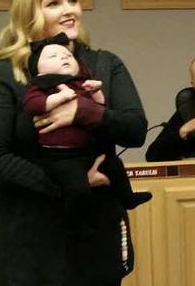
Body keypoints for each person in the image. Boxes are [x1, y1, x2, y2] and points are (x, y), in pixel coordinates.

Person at [0, 0, 148, 286]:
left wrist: (83, 111)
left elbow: (135, 130)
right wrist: (70, 184)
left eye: (72, 0)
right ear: (28, 12)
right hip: (30, 242)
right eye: (54, 3)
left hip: (95, 236)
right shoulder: (6, 72)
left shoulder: (104, 64)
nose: (69, 10)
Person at [24, 33, 151, 221]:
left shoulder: (82, 82)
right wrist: (58, 99)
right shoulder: (40, 86)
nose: (64, 58)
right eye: (54, 56)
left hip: (88, 151)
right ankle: (78, 223)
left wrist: (96, 96)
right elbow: (32, 104)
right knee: (77, 188)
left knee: (116, 166)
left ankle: (128, 197)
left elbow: (101, 111)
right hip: (61, 156)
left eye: (68, 56)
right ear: (39, 70)